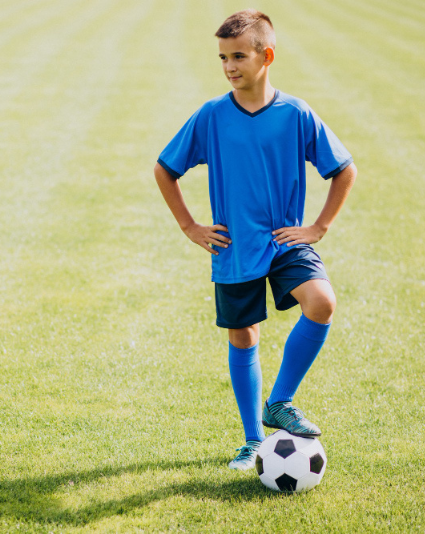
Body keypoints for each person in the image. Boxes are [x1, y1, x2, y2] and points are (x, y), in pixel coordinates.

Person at [153, 9, 357, 470]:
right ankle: (251, 441)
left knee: (321, 302)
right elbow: (165, 169)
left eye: (238, 56)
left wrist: (318, 226)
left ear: (266, 56)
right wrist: (190, 226)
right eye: (223, 57)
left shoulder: (296, 113)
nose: (229, 66)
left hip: (286, 240)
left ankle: (279, 402)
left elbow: (344, 169)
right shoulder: (210, 116)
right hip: (232, 246)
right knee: (244, 337)